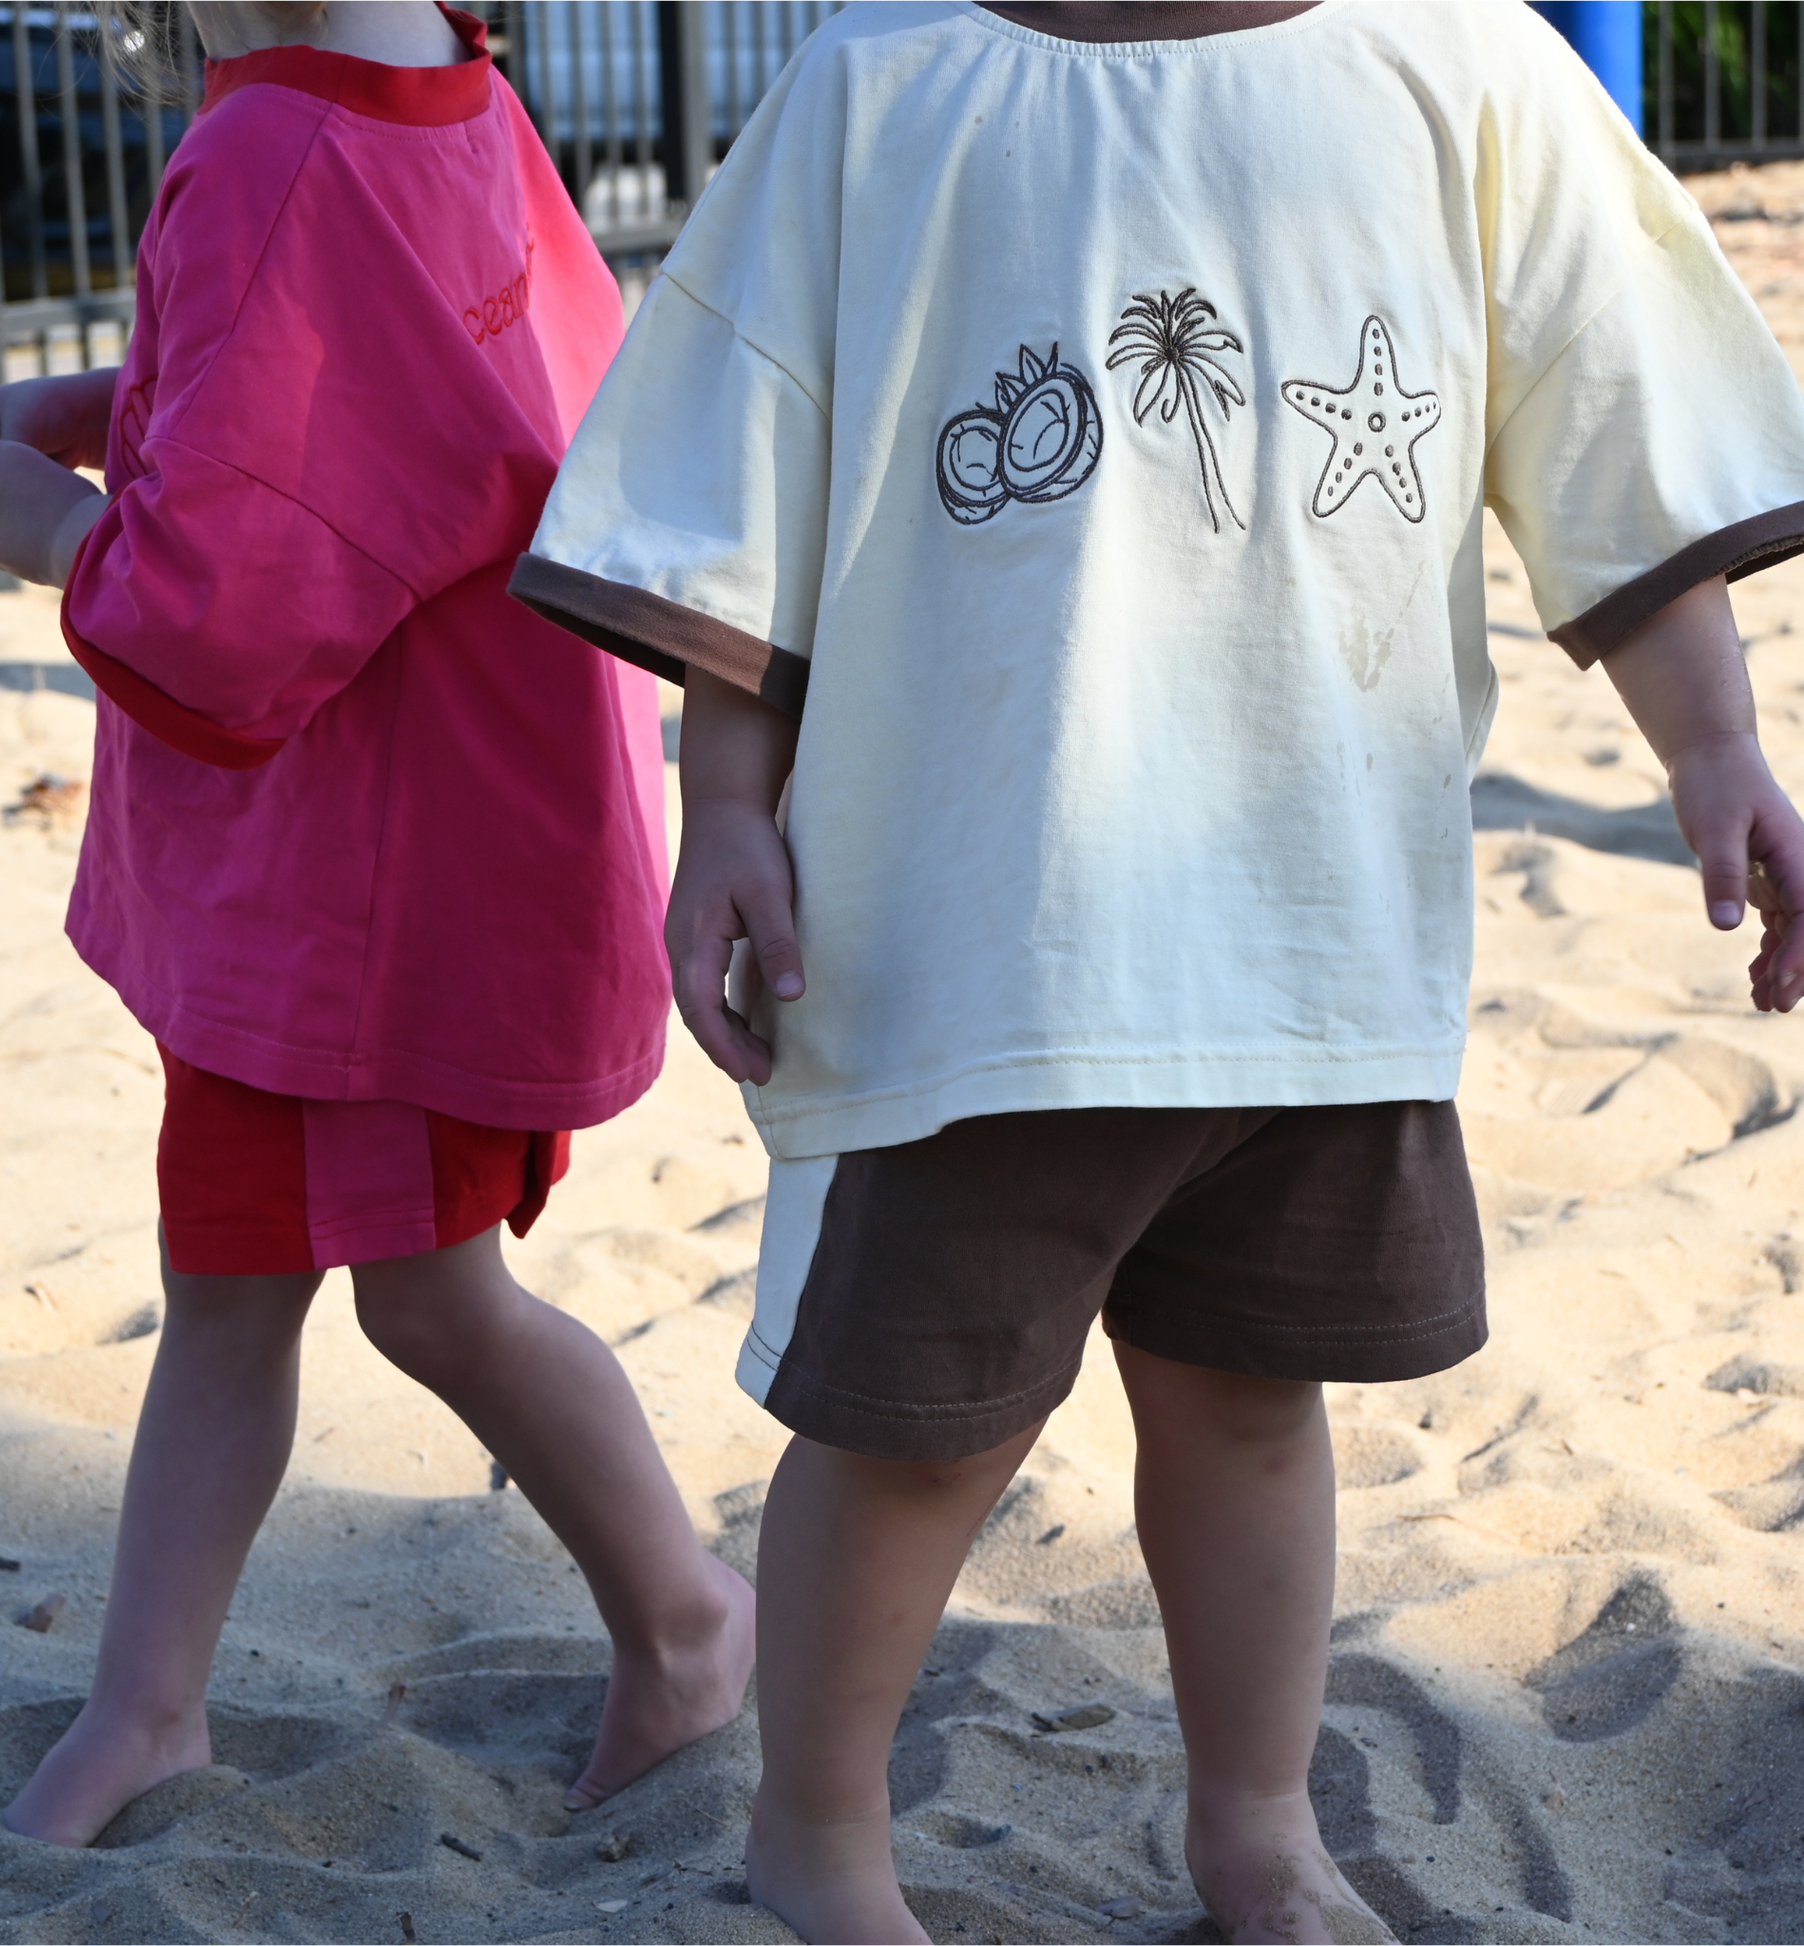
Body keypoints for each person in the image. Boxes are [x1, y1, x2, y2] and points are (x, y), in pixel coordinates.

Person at [508, 1, 1804, 1939]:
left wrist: (1715, 754)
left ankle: (1254, 1828)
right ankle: (821, 1832)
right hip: (984, 945)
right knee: (912, 1429)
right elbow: (734, 500)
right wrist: (732, 816)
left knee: (1253, 1398)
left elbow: (1607, 424)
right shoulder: (876, 85)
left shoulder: (1461, 70)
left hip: (1313, 933)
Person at [0, 0, 752, 1850]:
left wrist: (63, 526)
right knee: (247, 1282)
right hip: (425, 845)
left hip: (369, 893)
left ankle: (689, 1619)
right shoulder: (437, 83)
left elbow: (224, 607)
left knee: (432, 1299)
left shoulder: (282, 147)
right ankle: (150, 1704)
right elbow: (397, 411)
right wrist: (109, 417)